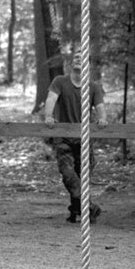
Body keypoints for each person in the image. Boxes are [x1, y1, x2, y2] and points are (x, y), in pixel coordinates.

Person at [43, 50, 107, 223]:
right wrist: (48, 116)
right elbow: (51, 99)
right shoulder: (60, 82)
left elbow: (100, 107)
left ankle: (77, 209)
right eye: (76, 58)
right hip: (63, 138)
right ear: (72, 63)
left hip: (85, 139)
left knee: (83, 176)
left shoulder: (93, 86)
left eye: (83, 58)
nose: (79, 60)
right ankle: (89, 207)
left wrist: (102, 119)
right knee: (68, 173)